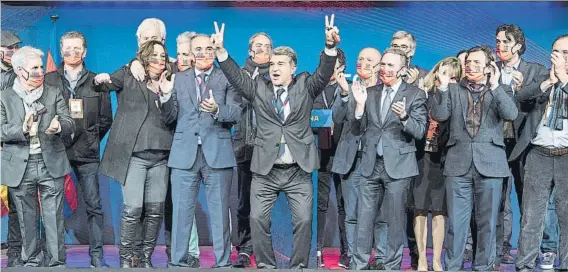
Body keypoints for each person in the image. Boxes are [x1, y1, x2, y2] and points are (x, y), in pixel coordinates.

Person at [215, 14, 340, 268]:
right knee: (258, 220)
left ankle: (298, 266)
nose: (274, 67)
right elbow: (237, 78)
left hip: (298, 171)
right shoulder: (258, 88)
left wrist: (329, 48)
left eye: (280, 63)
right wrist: (221, 53)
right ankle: (266, 266)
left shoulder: (305, 84)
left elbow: (325, 72)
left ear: (292, 68)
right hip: (265, 171)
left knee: (304, 221)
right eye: (272, 63)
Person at [431, 45, 518, 271]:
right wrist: (441, 88)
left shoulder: (501, 90)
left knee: (487, 223)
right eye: (468, 62)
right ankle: (453, 267)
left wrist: (496, 85)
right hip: (458, 164)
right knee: (457, 225)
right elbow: (439, 115)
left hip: (490, 165)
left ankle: (483, 267)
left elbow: (511, 114)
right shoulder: (452, 90)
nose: (470, 66)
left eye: (477, 62)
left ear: (489, 67)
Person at [161, 33, 241, 268]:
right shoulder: (178, 79)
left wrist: (218, 110)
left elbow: (237, 113)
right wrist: (165, 95)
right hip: (184, 155)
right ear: (190, 53)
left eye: (208, 48)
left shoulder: (226, 77)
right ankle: (178, 261)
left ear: (215, 51)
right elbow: (169, 117)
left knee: (219, 214)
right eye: (198, 49)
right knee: (181, 213)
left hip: (217, 153)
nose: (203, 53)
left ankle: (223, 262)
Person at [93, 40, 175, 268]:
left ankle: (146, 257)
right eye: (154, 55)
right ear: (144, 57)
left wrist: (167, 94)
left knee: (156, 210)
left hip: (161, 156)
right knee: (133, 209)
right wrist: (99, 79)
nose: (159, 59)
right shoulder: (129, 73)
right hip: (134, 155)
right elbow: (104, 84)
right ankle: (127, 258)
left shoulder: (171, 79)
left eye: (162, 55)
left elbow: (172, 116)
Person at [350, 47, 428, 270]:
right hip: (371, 164)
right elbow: (357, 129)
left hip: (399, 167)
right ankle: (359, 265)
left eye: (390, 65)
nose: (384, 69)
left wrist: (404, 116)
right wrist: (359, 106)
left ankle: (392, 266)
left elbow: (420, 131)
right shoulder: (370, 92)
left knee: (395, 222)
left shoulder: (415, 94)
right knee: (363, 220)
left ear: (402, 69)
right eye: (382, 64)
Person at [1, 46, 75, 267]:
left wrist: (59, 125)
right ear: (19, 70)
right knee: (26, 219)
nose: (40, 72)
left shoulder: (53, 92)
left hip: (50, 162)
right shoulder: (4, 97)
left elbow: (69, 120)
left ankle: (56, 264)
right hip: (19, 167)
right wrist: (21, 129)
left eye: (41, 67)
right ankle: (32, 262)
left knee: (54, 219)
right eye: (34, 68)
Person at [43, 31, 112, 268]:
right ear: (61, 52)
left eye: (76, 48)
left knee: (94, 205)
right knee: (52, 206)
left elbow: (105, 120)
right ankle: (54, 256)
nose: (71, 52)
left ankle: (97, 256)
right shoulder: (49, 79)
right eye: (67, 48)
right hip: (55, 151)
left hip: (87, 153)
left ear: (84, 52)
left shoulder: (96, 81)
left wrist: (91, 139)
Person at [493, 23, 550, 266]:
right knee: (498, 200)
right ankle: (502, 247)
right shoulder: (491, 69)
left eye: (506, 41)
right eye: (498, 41)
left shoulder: (535, 70)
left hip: (525, 144)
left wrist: (521, 90)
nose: (500, 46)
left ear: (518, 45)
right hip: (496, 142)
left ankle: (537, 247)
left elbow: (544, 100)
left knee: (530, 199)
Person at [512, 34, 568, 272]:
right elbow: (521, 98)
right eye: (556, 51)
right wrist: (548, 83)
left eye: (565, 53)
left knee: (566, 215)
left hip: (566, 155)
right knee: (532, 216)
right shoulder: (542, 77)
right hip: (539, 154)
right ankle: (524, 264)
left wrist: (564, 81)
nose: (559, 57)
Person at [413, 56, 461, 271]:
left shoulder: (457, 98)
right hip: (422, 157)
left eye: (452, 77)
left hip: (444, 159)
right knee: (420, 209)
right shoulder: (423, 94)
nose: (445, 79)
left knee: (440, 211)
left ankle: (437, 259)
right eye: (443, 74)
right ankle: (422, 258)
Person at [232, 31, 273, 268]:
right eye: (258, 46)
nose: (263, 50)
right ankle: (245, 249)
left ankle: (266, 248)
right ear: (250, 50)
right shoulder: (239, 75)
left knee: (266, 204)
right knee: (244, 203)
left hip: (270, 150)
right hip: (245, 147)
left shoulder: (279, 74)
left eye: (267, 46)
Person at [389, 31, 428, 268]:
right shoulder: (382, 73)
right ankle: (384, 255)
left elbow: (430, 117)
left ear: (411, 51)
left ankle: (416, 254)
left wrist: (415, 88)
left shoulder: (423, 76)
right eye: (394, 45)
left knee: (414, 207)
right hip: (387, 150)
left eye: (403, 47)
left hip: (416, 152)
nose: (399, 49)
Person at [314, 48, 349, 269]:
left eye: (333, 65)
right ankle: (316, 250)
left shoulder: (349, 89)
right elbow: (311, 115)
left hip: (344, 153)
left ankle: (347, 252)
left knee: (345, 206)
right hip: (320, 153)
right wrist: (329, 120)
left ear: (342, 68)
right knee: (320, 204)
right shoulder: (313, 87)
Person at [0, 30, 24, 267]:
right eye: (8, 48)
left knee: (16, 202)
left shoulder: (19, 75)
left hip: (9, 146)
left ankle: (15, 251)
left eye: (16, 48)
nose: (13, 53)